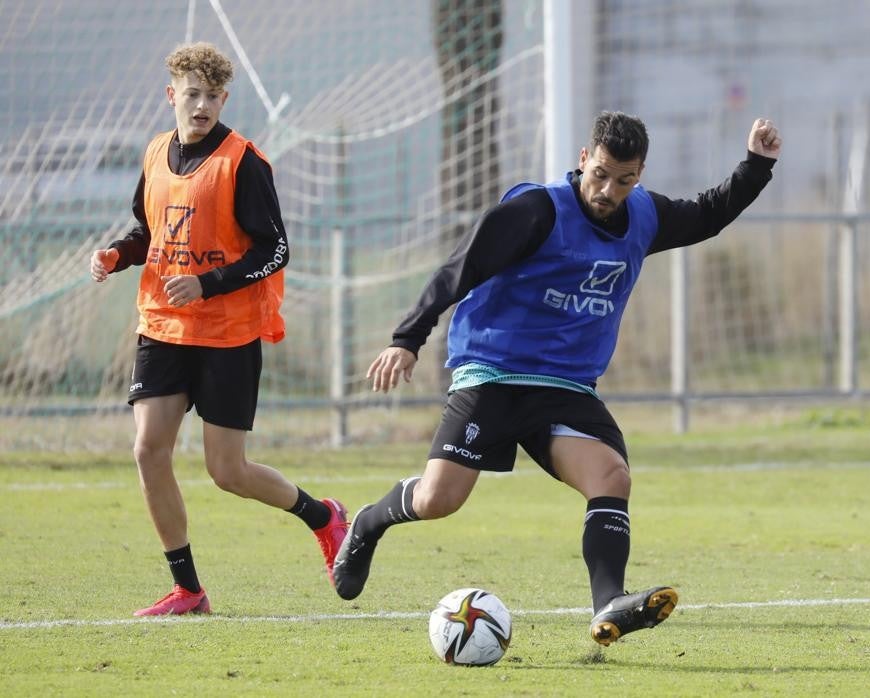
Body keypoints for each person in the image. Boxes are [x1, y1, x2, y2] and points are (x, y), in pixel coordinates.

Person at [333, 111, 780, 646]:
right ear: (584, 160)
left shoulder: (643, 215)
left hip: (566, 386)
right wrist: (407, 338)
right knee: (438, 500)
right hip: (494, 371)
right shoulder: (536, 211)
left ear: (640, 174)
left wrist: (756, 165)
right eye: (601, 174)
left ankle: (609, 602)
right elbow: (463, 265)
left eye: (625, 179)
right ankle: (369, 522)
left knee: (611, 477)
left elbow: (707, 214)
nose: (609, 190)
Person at [88, 42, 349, 617]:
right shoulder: (155, 152)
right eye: (191, 95)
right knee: (148, 450)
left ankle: (323, 516)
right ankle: (188, 590)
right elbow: (148, 230)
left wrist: (208, 284)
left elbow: (275, 249)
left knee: (227, 471)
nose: (201, 105)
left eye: (212, 96)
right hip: (162, 324)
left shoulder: (242, 162)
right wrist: (117, 254)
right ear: (171, 96)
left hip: (227, 333)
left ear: (224, 98)